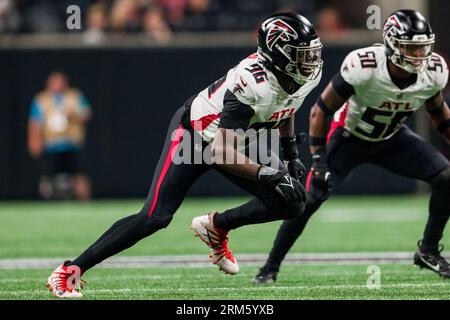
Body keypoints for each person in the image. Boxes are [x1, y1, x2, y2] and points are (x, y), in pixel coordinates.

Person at [45, 12, 323, 298]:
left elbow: (287, 106)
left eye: (312, 53)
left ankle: (216, 226)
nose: (310, 62)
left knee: (293, 201)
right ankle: (69, 271)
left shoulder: (303, 76)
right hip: (195, 136)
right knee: (155, 216)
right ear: (276, 54)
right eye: (302, 55)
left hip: (237, 138)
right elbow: (221, 152)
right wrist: (271, 173)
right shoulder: (252, 84)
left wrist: (290, 153)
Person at [253, 9, 450, 284]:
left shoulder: (434, 71)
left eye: (422, 48)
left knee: (445, 177)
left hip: (392, 138)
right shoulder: (365, 65)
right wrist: (319, 158)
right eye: (411, 48)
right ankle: (270, 267)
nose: (419, 56)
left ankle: (428, 250)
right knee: (308, 200)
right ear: (392, 44)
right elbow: (320, 111)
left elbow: (440, 115)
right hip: (347, 138)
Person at [28, 71, 92, 201]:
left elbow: (87, 114)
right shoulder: (41, 99)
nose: (58, 84)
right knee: (47, 178)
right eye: (54, 81)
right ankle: (48, 203)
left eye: (60, 81)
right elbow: (34, 122)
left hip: (72, 143)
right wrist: (34, 140)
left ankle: (85, 202)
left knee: (79, 174)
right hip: (51, 145)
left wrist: (72, 115)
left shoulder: (74, 96)